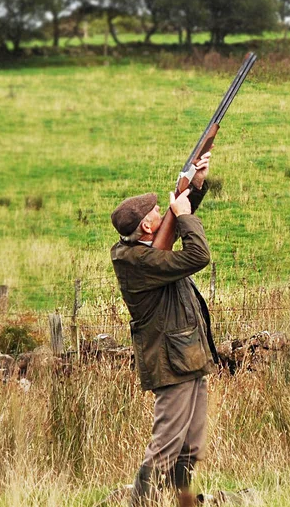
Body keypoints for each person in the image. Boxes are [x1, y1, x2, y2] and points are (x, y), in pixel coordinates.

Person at [110, 152, 218, 506]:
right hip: (172, 365)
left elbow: (176, 219)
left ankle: (179, 501)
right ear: (145, 227)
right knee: (165, 448)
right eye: (156, 213)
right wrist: (184, 216)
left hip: (188, 355)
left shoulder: (146, 249)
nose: (161, 213)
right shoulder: (138, 262)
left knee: (191, 446)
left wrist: (195, 185)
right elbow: (196, 256)